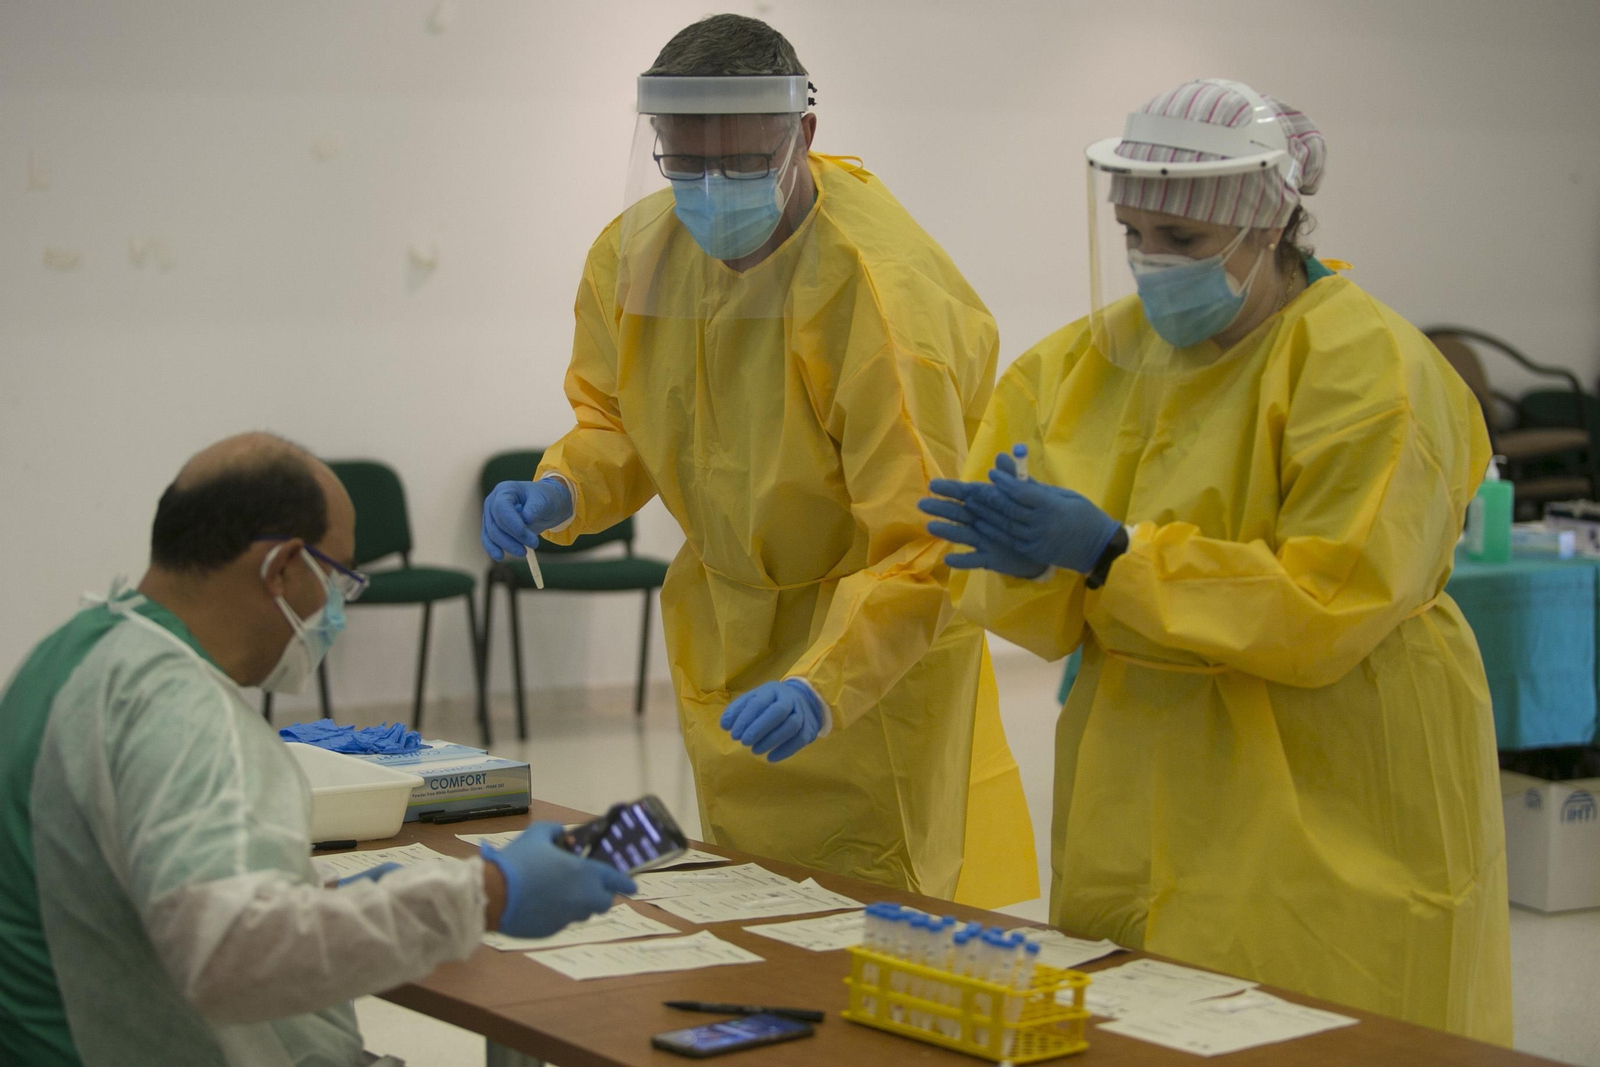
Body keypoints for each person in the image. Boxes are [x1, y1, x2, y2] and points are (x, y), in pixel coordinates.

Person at [921, 79, 1512, 1041]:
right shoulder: (1087, 360)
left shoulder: (1373, 371)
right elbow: (1043, 592)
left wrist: (1115, 553)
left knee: (1320, 1014)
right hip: (1139, 759)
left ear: (1269, 225)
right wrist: (1022, 559)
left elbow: (1329, 603)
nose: (1152, 265)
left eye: (1184, 242)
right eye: (1134, 234)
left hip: (1328, 763)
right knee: (1139, 1011)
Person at [480, 14, 1036, 906]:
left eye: (739, 166)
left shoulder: (882, 296)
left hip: (868, 658)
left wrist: (825, 683)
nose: (708, 191)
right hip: (727, 626)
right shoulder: (638, 254)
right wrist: (560, 486)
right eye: (683, 163)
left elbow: (924, 538)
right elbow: (619, 418)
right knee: (751, 899)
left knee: (866, 915)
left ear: (802, 135)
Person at [0, 433, 634, 1067]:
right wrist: (487, 894)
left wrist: (338, 908)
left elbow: (172, 894)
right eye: (339, 582)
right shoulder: (183, 711)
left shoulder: (76, 652)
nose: (337, 610)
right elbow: (231, 957)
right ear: (281, 569)